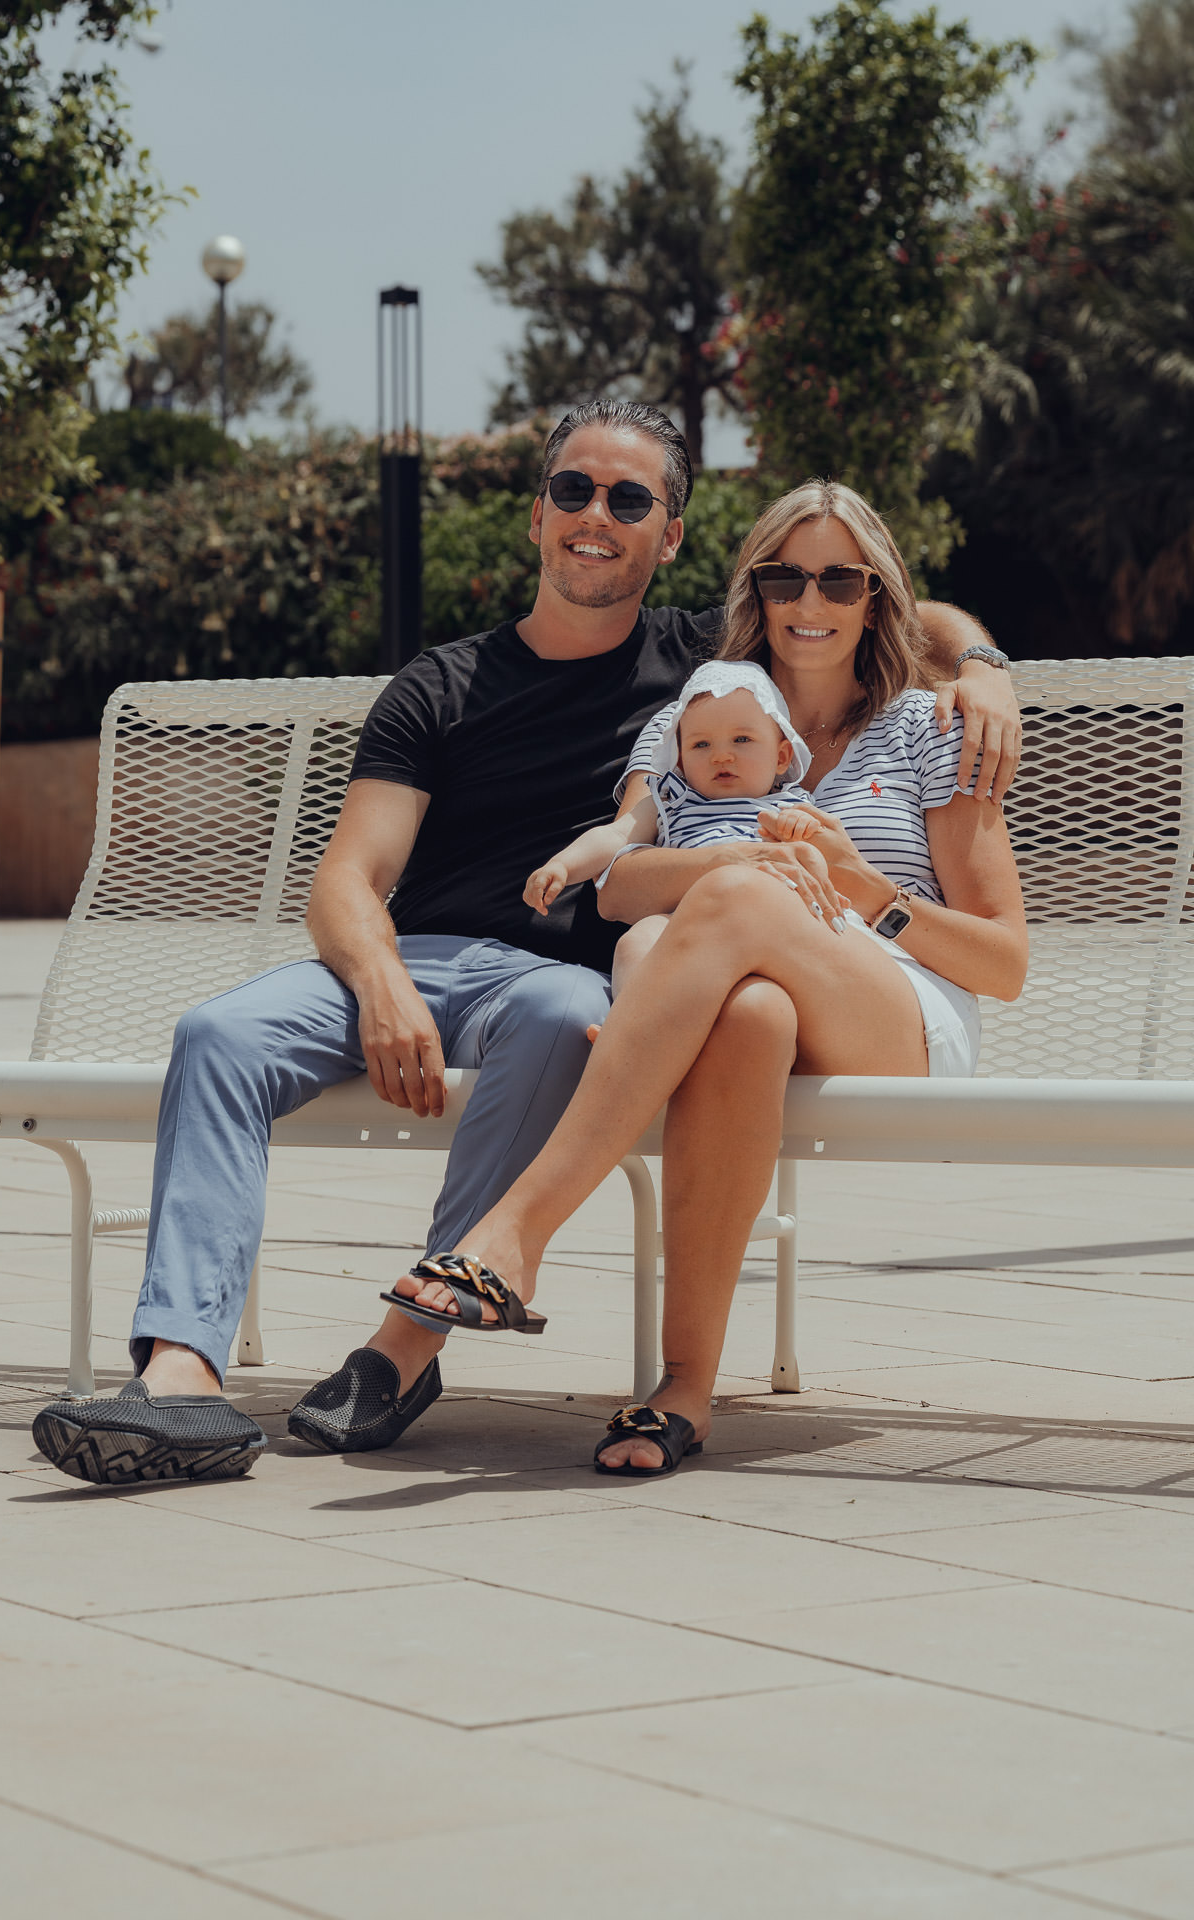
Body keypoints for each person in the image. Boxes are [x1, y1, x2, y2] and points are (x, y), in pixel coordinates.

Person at [30, 405, 1020, 1486]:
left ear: (670, 534)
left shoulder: (717, 668)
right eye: (572, 491)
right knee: (217, 1031)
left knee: (579, 1003)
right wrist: (378, 983)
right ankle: (181, 1377)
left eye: (628, 499)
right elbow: (361, 879)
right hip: (438, 959)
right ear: (536, 514)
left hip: (597, 983)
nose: (596, 516)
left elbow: (896, 609)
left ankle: (457, 1293)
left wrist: (981, 664)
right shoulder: (514, 691)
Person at [385, 478, 1028, 1476]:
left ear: (874, 597)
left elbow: (1004, 963)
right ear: (756, 591)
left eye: (836, 580)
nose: (807, 604)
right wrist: (743, 866)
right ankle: (683, 1388)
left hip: (895, 1008)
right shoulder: (694, 719)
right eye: (783, 578)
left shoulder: (926, 730)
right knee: (749, 1012)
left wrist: (863, 891)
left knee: (737, 896)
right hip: (739, 994)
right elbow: (616, 892)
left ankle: (514, 1230)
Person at [523, 660, 826, 1002]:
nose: (721, 756)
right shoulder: (670, 801)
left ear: (782, 756)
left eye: (742, 739)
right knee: (637, 942)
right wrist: (562, 866)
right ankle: (633, 1029)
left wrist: (803, 828)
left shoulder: (792, 806)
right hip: (685, 924)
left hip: (769, 924)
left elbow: (823, 858)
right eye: (701, 745)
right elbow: (615, 836)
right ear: (679, 761)